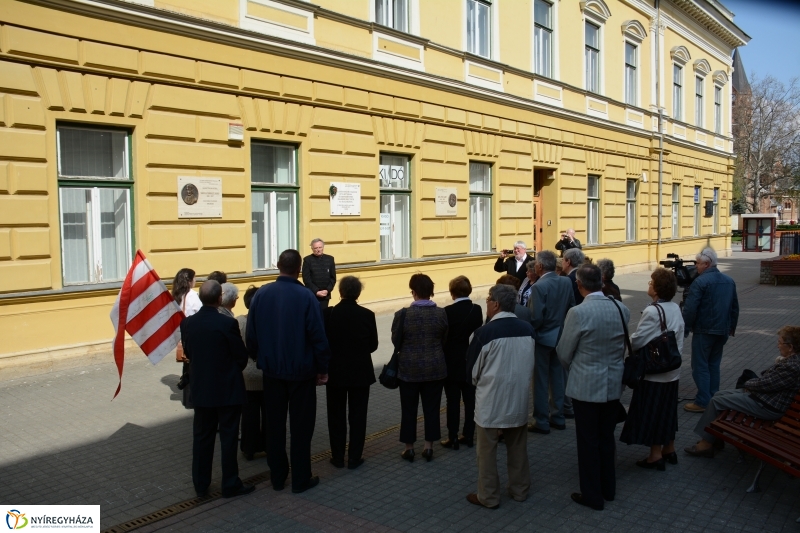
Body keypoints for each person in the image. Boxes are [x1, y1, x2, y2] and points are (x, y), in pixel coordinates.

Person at [246, 249, 331, 494]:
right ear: (299, 271)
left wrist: (260, 356)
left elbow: (251, 336)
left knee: (274, 426)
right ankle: (300, 478)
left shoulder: (262, 294)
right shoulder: (306, 297)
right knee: (301, 428)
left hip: (272, 373)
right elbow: (318, 336)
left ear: (277, 265)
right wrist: (322, 368)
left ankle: (277, 477)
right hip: (302, 373)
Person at [557, 264, 629, 511]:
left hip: (586, 386)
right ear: (601, 282)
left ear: (579, 285)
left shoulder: (578, 313)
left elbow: (564, 353)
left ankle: (592, 495)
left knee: (588, 441)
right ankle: (609, 488)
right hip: (613, 383)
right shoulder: (622, 308)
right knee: (606, 438)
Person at [180, 280, 254, 498]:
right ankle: (229, 483)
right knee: (228, 438)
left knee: (202, 438)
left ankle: (201, 485)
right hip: (227, 389)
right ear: (220, 298)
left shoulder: (188, 324)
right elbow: (240, 357)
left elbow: (190, 354)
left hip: (202, 389)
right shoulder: (226, 324)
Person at [465, 284, 535, 510]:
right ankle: (520, 490)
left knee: (486, 452)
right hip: (518, 400)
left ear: (495, 304)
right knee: (517, 448)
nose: (486, 302)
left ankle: (488, 496)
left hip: (490, 402)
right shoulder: (527, 330)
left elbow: (472, 373)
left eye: (487, 299)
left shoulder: (483, 334)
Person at [685, 326, 800, 457]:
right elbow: (768, 382)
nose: (777, 346)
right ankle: (714, 438)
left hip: (768, 406)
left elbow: (765, 384)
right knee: (718, 395)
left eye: (780, 343)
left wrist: (748, 383)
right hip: (765, 398)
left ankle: (706, 444)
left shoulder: (791, 366)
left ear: (790, 347)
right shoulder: (791, 361)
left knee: (717, 401)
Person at [619, 268, 684, 470]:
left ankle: (655, 456)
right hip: (672, 370)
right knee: (667, 411)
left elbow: (638, 340)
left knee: (653, 412)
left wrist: (625, 344)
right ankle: (669, 448)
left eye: (650, 282)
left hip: (655, 372)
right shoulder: (674, 308)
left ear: (657, 289)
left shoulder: (653, 311)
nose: (648, 285)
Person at [323, 276, 379, 470]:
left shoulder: (328, 314)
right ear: (358, 293)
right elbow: (373, 345)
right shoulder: (367, 315)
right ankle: (355, 457)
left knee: (335, 416)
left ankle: (337, 457)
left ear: (340, 292)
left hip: (335, 373)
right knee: (358, 416)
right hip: (360, 373)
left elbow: (323, 344)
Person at [393, 273, 448, 463]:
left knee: (408, 409)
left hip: (408, 370)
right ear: (431, 292)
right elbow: (444, 339)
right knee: (432, 408)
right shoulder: (441, 313)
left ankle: (409, 448)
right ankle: (429, 447)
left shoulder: (403, 314)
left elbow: (395, 341)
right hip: (435, 368)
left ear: (413, 292)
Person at [682, 248, 739, 413]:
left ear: (706, 264)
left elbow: (690, 309)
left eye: (698, 263)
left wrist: (684, 329)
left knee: (700, 366)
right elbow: (735, 307)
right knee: (714, 365)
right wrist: (731, 327)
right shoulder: (729, 281)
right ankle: (713, 398)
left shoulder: (700, 282)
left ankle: (702, 401)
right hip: (722, 331)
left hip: (704, 330)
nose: (696, 267)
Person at [527, 250, 575, 435]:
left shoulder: (539, 286)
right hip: (560, 336)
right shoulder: (565, 281)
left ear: (539, 266)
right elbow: (571, 307)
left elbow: (536, 316)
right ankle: (558, 416)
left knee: (540, 381)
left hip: (543, 338)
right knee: (557, 377)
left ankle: (541, 420)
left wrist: (534, 329)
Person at [441, 276, 483, 450]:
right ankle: (469, 434)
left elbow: (443, 336)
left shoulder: (447, 311)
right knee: (470, 400)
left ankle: (453, 437)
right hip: (471, 360)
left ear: (452, 293)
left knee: (452, 401)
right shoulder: (477, 309)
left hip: (451, 361)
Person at [237, 285, 266, 461]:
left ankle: (249, 448)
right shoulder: (268, 321)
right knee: (269, 413)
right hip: (266, 372)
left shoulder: (239, 321)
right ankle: (269, 444)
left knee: (248, 414)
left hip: (246, 374)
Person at [173, 268, 201, 409]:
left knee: (187, 367)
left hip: (183, 336)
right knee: (195, 368)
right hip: (194, 335)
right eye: (194, 278)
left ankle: (187, 399)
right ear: (189, 280)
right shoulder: (193, 296)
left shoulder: (177, 296)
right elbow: (199, 312)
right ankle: (193, 399)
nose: (196, 280)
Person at [302, 238, 337, 310]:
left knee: (324, 315)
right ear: (312, 249)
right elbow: (306, 279)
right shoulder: (307, 260)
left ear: (323, 247)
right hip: (313, 294)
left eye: (320, 247)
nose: (318, 249)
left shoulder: (330, 259)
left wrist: (327, 290)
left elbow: (333, 278)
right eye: (315, 248)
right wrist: (316, 291)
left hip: (325, 295)